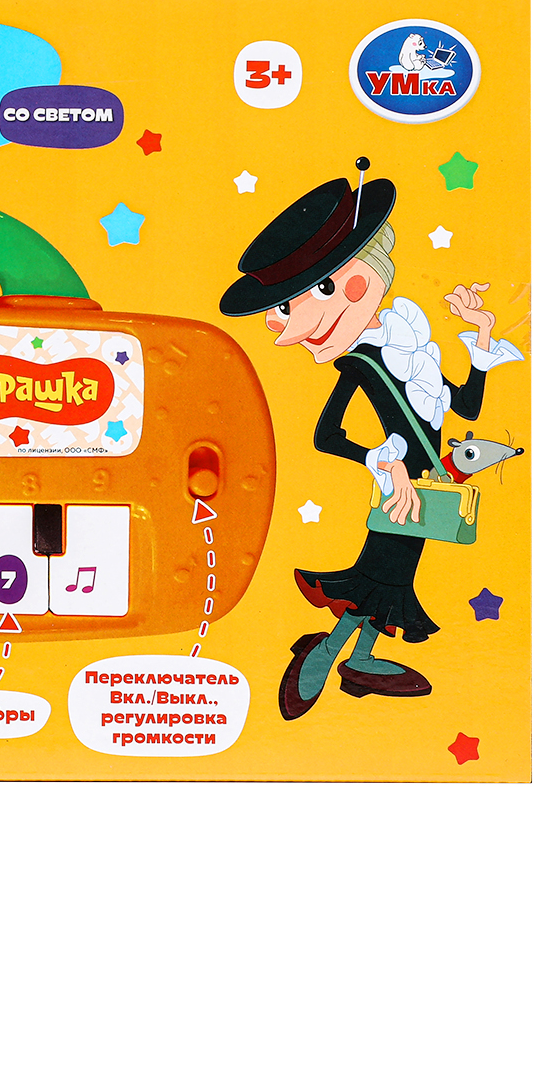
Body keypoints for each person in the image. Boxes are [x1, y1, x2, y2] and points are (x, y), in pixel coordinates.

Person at [219, 161, 523, 719]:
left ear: (359, 281)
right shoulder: (359, 362)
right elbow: (326, 435)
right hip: (400, 489)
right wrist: (385, 462)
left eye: (312, 293)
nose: (284, 326)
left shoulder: (411, 347)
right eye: (284, 308)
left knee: (392, 578)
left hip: (425, 494)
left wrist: (481, 337)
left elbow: (465, 407)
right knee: (374, 578)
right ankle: (328, 653)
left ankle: (358, 659)